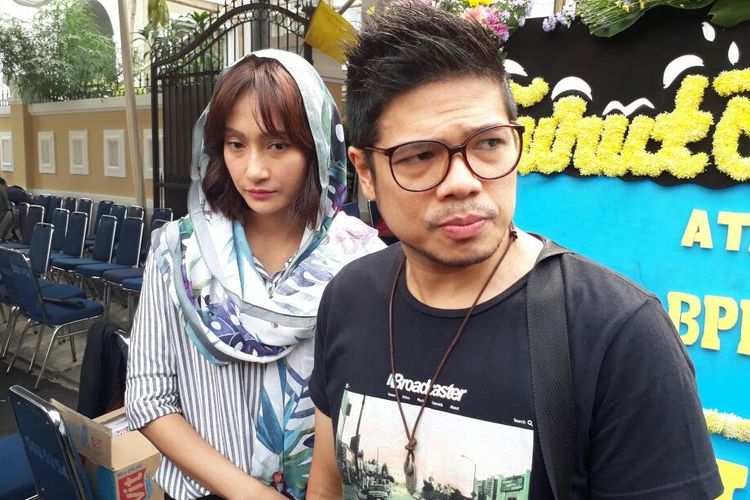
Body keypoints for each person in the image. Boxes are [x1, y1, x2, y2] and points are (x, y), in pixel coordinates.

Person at [306, 3, 723, 500]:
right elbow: (328, 483)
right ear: (366, 172)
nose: (463, 182)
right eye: (420, 155)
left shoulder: (617, 333)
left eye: (488, 144)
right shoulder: (348, 298)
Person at [125, 50, 384, 500]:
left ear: (317, 145)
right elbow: (149, 397)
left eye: (278, 145)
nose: (254, 170)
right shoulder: (178, 252)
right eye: (236, 144)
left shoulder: (363, 263)